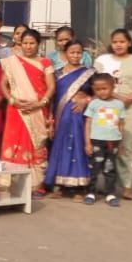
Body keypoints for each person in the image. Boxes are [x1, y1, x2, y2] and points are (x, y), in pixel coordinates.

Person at [94, 29, 132, 200]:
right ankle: (107, 184)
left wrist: (125, 100)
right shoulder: (102, 60)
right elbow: (95, 83)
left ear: (129, 43)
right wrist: (115, 97)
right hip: (104, 109)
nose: (118, 45)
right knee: (103, 146)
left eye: (122, 42)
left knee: (124, 147)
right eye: (115, 42)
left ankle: (126, 185)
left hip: (128, 109)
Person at [0, 28, 55, 196]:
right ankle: (9, 183)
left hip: (38, 110)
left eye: (32, 43)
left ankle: (36, 184)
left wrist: (40, 103)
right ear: (20, 43)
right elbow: (3, 84)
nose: (28, 46)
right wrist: (13, 100)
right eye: (25, 43)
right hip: (16, 110)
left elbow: (51, 86)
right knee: (14, 143)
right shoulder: (12, 62)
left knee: (36, 144)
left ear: (38, 44)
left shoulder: (45, 62)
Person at [45, 40, 95, 198]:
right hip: (61, 118)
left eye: (79, 52)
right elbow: (52, 98)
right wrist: (50, 121)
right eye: (72, 52)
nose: (75, 55)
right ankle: (60, 185)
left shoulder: (89, 73)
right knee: (61, 148)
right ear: (65, 54)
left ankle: (80, 188)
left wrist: (86, 100)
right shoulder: (57, 74)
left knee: (78, 147)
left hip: (79, 118)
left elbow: (98, 94)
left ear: (83, 54)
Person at [84, 73, 126, 207]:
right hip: (96, 141)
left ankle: (110, 194)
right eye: (98, 89)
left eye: (105, 88)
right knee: (94, 168)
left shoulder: (119, 104)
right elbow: (88, 123)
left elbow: (121, 125)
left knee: (110, 168)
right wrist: (88, 143)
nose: (102, 92)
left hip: (113, 142)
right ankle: (91, 192)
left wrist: (121, 144)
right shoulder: (94, 104)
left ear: (113, 87)